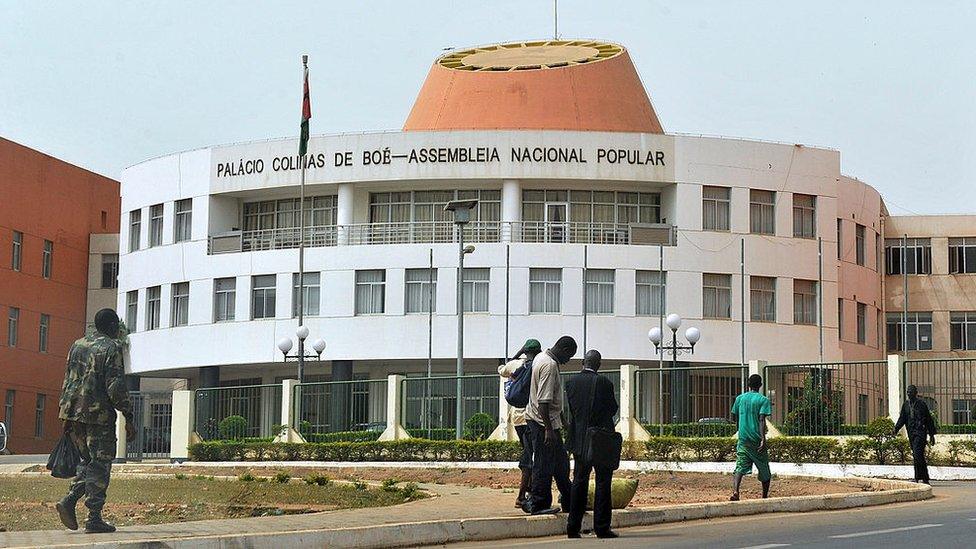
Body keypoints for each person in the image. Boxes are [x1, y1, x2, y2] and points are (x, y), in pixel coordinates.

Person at [56, 308, 136, 533]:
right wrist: (128, 416)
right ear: (111, 327)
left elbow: (68, 378)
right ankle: (93, 518)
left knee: (88, 462)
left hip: (74, 414)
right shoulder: (111, 348)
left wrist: (65, 413)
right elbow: (115, 387)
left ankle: (70, 500)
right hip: (98, 416)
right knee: (100, 464)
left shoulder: (77, 345)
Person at [565, 350, 619, 539]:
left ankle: (573, 527)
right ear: (599, 364)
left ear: (582, 362)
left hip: (579, 439)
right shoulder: (604, 383)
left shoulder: (570, 383)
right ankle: (602, 527)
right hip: (600, 439)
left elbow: (573, 410)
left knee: (579, 481)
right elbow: (612, 408)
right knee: (603, 482)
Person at [522, 335, 576, 515]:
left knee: (560, 463)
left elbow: (551, 399)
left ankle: (570, 501)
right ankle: (539, 504)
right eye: (569, 357)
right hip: (542, 422)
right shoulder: (550, 365)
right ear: (565, 350)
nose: (568, 361)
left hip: (547, 421)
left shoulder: (541, 357)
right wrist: (548, 430)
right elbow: (543, 401)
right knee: (543, 464)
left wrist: (564, 422)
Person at [498, 338, 542, 508]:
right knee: (530, 457)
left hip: (517, 418)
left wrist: (518, 353)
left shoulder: (515, 365)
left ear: (525, 351)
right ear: (538, 351)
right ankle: (522, 495)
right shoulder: (537, 365)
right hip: (532, 417)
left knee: (528, 453)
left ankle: (528, 491)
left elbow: (501, 369)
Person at [730, 374, 772, 501]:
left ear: (748, 384)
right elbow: (761, 420)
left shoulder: (739, 399)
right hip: (756, 439)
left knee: (740, 466)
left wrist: (741, 429)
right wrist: (763, 439)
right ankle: (764, 497)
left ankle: (736, 491)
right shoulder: (763, 400)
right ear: (760, 385)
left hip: (743, 438)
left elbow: (735, 416)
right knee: (764, 470)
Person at [894, 384, 937, 484]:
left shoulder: (921, 404)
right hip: (911, 433)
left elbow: (928, 419)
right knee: (917, 455)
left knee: (918, 454)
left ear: (916, 393)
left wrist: (931, 435)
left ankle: (925, 478)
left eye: (911, 391)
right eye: (908, 391)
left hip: (920, 433)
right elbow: (902, 419)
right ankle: (918, 477)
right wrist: (896, 429)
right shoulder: (906, 405)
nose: (909, 393)